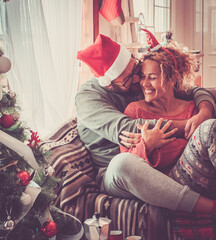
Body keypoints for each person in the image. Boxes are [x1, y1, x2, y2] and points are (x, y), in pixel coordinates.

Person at [75, 34, 216, 214]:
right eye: (128, 79)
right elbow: (132, 129)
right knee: (122, 163)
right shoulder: (88, 97)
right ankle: (209, 207)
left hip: (163, 168)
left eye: (136, 71)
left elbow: (193, 90)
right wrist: (190, 124)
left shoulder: (139, 83)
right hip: (118, 174)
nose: (137, 81)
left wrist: (204, 112)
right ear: (109, 84)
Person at [120, 41, 216, 202]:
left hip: (204, 177)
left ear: (171, 79)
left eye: (152, 77)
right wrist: (149, 145)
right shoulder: (134, 111)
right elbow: (126, 165)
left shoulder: (193, 110)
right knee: (209, 127)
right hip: (167, 187)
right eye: (143, 77)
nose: (145, 84)